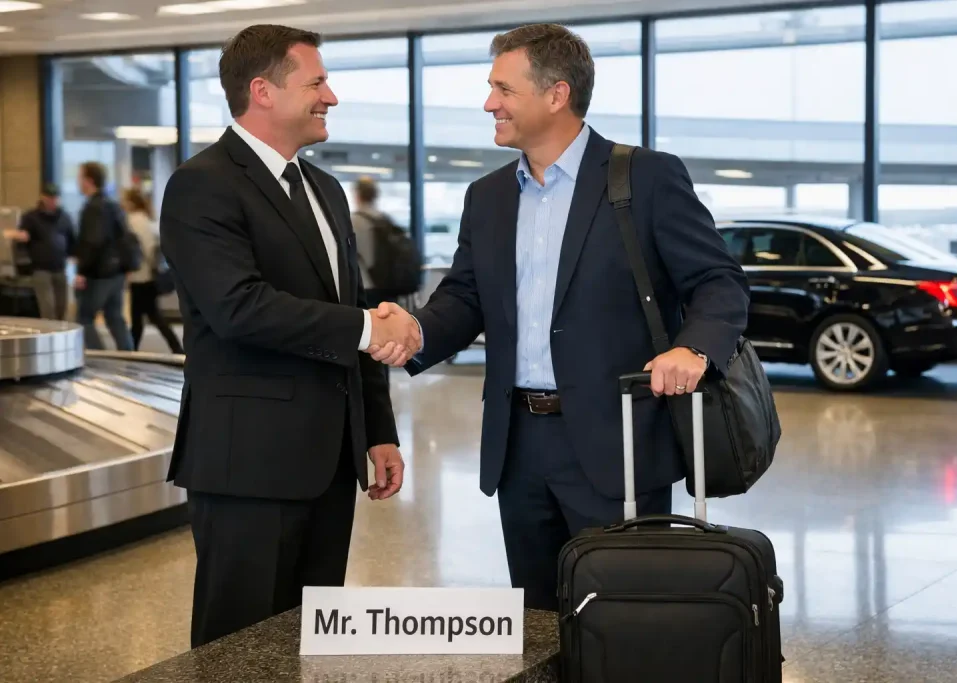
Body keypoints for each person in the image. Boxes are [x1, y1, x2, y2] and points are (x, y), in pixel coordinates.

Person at [370, 24, 750, 611]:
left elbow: (718, 281)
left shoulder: (645, 178)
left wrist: (693, 350)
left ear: (556, 95)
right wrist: (416, 330)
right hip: (517, 444)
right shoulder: (488, 196)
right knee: (541, 618)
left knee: (624, 621)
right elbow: (466, 296)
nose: (488, 103)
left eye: (503, 89)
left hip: (618, 439)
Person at [158, 24, 418, 648]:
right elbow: (237, 307)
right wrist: (367, 326)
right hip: (248, 464)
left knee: (311, 637)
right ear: (262, 91)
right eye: (317, 82)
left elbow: (348, 309)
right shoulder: (203, 184)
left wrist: (378, 431)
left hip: (329, 462)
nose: (331, 96)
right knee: (240, 645)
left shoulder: (324, 189)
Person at [74, 162, 134, 350]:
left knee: (84, 318)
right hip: (116, 272)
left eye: (80, 177)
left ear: (89, 181)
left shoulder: (93, 207)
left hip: (98, 273)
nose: (78, 182)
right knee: (115, 317)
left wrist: (82, 271)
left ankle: (99, 359)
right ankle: (128, 356)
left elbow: (93, 242)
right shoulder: (113, 205)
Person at [122, 188, 184, 354]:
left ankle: (133, 349)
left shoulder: (131, 221)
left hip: (138, 275)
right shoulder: (149, 221)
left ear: (130, 203)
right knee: (147, 316)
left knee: (148, 316)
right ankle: (173, 347)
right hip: (149, 275)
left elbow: (133, 249)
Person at [2, 183, 75, 320]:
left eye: (55, 198)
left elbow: (71, 240)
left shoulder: (65, 217)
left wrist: (72, 259)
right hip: (41, 269)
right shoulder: (31, 217)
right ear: (43, 198)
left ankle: (59, 337)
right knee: (48, 307)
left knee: (61, 307)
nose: (52, 201)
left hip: (60, 268)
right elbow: (23, 238)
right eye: (49, 198)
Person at [351, 176, 387, 308]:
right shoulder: (383, 219)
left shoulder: (353, 221)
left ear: (357, 195)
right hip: (385, 284)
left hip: (364, 284)